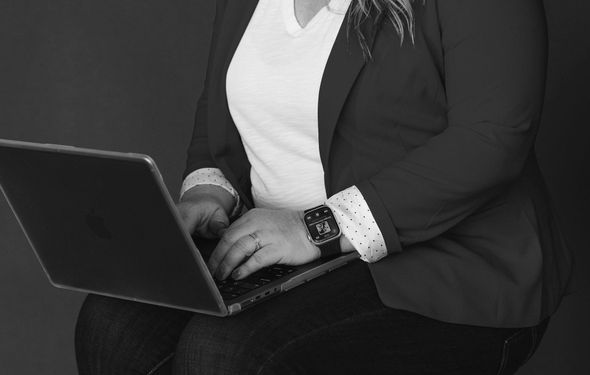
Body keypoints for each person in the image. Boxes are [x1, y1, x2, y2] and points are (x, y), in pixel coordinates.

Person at [74, 0, 574, 374]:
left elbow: (492, 140)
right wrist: (210, 190)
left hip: (446, 259)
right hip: (275, 252)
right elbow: (222, 115)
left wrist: (315, 229)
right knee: (112, 326)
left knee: (223, 354)